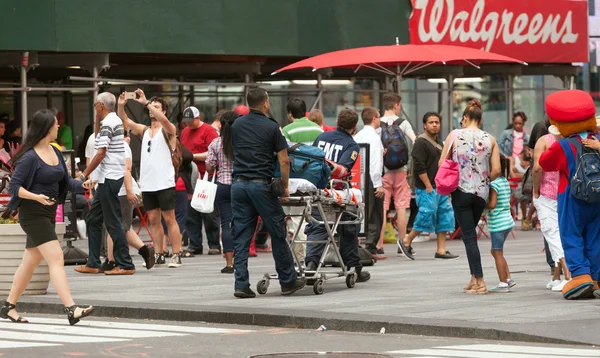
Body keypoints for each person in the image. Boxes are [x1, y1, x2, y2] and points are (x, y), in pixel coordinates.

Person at [4, 109, 95, 324]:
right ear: (46, 128)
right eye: (55, 124)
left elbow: (66, 182)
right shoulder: (29, 157)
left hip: (48, 211)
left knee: (30, 262)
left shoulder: (55, 152)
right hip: (33, 213)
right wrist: (36, 197)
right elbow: (13, 187)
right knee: (56, 258)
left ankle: (8, 306)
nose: (58, 127)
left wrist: (83, 184)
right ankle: (71, 309)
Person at [230, 87, 306, 298]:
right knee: (277, 232)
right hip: (261, 186)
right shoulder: (273, 127)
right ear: (265, 103)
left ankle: (241, 285)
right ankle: (288, 281)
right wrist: (284, 187)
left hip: (239, 185)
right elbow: (283, 160)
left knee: (242, 236)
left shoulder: (236, 124)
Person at [539, 90, 600, 300]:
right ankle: (595, 279)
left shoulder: (564, 145)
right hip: (597, 197)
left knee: (571, 235)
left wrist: (556, 139)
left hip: (572, 196)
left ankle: (580, 276)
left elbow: (544, 163)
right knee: (594, 237)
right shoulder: (598, 139)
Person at [439, 100, 501, 294]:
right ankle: (473, 278)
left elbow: (443, 162)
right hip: (480, 194)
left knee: (469, 238)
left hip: (461, 191)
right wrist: (482, 179)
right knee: (470, 235)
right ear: (480, 120)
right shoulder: (490, 138)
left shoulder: (455, 135)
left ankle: (480, 281)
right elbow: (497, 170)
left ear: (464, 118)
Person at [306, 109, 371, 283]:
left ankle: (311, 265)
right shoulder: (351, 145)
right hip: (336, 192)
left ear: (336, 121)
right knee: (349, 224)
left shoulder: (321, 137)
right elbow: (342, 169)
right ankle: (354, 268)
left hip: (316, 189)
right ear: (354, 127)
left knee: (318, 226)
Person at [119, 90, 183, 268]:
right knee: (153, 219)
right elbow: (125, 121)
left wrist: (146, 102)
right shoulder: (145, 130)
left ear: (163, 111)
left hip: (164, 182)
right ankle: (159, 253)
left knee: (169, 219)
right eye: (150, 107)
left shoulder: (168, 129)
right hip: (148, 183)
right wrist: (121, 105)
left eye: (156, 107)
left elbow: (165, 123)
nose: (151, 110)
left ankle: (177, 254)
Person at [74, 92, 136, 275]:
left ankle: (126, 264)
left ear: (101, 105)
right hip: (106, 178)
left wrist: (84, 174)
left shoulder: (110, 123)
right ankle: (93, 262)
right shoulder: (108, 122)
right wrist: (97, 116)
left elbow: (100, 153)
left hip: (110, 177)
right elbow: (96, 136)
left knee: (113, 221)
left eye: (95, 105)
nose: (94, 107)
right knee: (93, 219)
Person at [402, 112, 458, 260]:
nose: (434, 125)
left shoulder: (439, 142)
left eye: (437, 122)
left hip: (441, 187)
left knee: (444, 216)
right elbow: (419, 166)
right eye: (431, 122)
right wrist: (427, 184)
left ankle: (441, 250)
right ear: (425, 125)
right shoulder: (421, 142)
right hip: (427, 187)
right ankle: (406, 241)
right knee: (426, 214)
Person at [101, 129, 156, 272]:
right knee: (120, 227)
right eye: (126, 134)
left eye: (128, 134)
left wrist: (129, 191)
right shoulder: (114, 146)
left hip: (123, 192)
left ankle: (113, 261)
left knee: (118, 227)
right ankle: (143, 251)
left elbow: (127, 169)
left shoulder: (122, 147)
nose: (128, 138)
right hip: (118, 191)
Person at [282, 99, 324, 264]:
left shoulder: (286, 130)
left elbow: (283, 156)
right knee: (314, 217)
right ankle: (315, 255)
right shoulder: (318, 129)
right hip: (315, 180)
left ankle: (301, 257)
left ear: (290, 114)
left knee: (297, 219)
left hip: (295, 181)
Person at [532, 125, 571, 292]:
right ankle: (556, 275)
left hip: (547, 192)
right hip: (564, 191)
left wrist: (535, 190)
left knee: (551, 233)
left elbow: (537, 168)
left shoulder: (543, 141)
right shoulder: (567, 139)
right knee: (561, 232)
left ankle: (568, 275)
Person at [378, 92, 416, 256]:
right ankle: (403, 244)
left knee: (383, 207)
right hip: (401, 170)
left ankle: (379, 244)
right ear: (395, 105)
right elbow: (415, 141)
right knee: (401, 206)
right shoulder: (403, 123)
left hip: (383, 171)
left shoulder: (377, 124)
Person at [179, 106, 221, 257]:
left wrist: (193, 156)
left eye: (191, 121)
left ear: (198, 118)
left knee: (209, 211)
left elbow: (214, 152)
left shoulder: (209, 131)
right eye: (186, 122)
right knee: (191, 212)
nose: (188, 124)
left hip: (206, 175)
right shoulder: (185, 132)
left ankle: (214, 243)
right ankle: (195, 244)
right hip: (189, 176)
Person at [207, 111, 239, 273]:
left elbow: (209, 167)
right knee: (241, 223)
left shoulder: (215, 143)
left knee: (226, 224)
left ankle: (229, 263)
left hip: (222, 186)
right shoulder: (242, 142)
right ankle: (241, 259)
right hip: (240, 186)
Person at [353, 107, 386, 260]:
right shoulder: (374, 137)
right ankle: (371, 248)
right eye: (379, 117)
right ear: (374, 118)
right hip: (372, 180)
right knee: (375, 214)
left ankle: (357, 246)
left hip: (358, 179)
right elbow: (375, 162)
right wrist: (378, 183)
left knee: (360, 212)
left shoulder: (357, 136)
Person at [486, 156, 516, 292]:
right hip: (507, 221)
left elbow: (492, 204)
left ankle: (503, 283)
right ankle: (508, 278)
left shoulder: (494, 184)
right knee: (496, 251)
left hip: (497, 223)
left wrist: (482, 205)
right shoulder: (504, 181)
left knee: (497, 252)